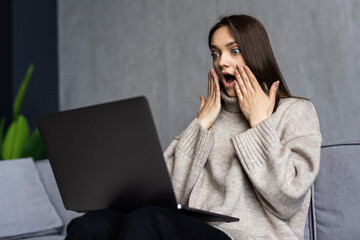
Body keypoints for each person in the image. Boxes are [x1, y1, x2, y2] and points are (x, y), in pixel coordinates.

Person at [66, 14, 321, 240]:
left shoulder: (295, 111)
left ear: (255, 53)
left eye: (233, 50)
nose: (221, 62)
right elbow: (168, 197)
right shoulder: (211, 115)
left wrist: (259, 123)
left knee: (148, 222)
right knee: (92, 224)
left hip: (251, 236)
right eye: (215, 53)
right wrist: (199, 126)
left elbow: (287, 199)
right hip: (196, 229)